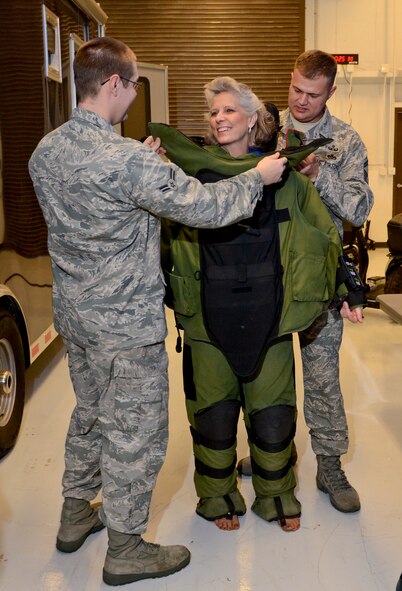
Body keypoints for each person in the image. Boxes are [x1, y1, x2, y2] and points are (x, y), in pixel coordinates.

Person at [28, 38, 287, 587]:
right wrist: (257, 179)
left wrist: (146, 168)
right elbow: (207, 206)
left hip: (76, 318)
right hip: (125, 326)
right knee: (135, 432)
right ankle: (125, 548)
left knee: (90, 413)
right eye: (132, 86)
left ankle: (75, 515)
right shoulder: (125, 161)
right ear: (118, 83)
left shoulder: (45, 152)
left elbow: (95, 208)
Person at [161, 76, 343, 534]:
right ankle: (216, 496)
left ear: (251, 120)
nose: (218, 119)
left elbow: (323, 237)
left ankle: (276, 494)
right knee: (214, 417)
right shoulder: (188, 179)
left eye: (228, 111)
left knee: (274, 418)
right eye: (213, 113)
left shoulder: (285, 178)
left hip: (272, 315)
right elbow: (160, 241)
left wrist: (341, 290)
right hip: (206, 320)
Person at [239, 50, 374, 513]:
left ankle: (330, 466)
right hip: (269, 276)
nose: (300, 100)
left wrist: (319, 176)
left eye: (312, 94)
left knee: (321, 376)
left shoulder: (346, 141)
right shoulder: (267, 130)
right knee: (267, 375)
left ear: (330, 93)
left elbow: (358, 210)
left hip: (318, 280)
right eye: (296, 89)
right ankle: (274, 455)